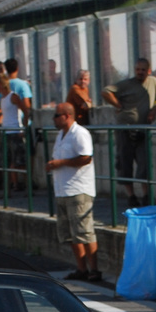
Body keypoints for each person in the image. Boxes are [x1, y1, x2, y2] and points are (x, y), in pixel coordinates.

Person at [103, 57, 156, 207]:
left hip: (143, 129)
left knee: (144, 163)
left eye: (143, 70)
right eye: (138, 69)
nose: (140, 72)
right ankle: (131, 196)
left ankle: (146, 195)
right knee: (124, 162)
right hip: (124, 129)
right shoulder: (127, 84)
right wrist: (118, 105)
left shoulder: (153, 83)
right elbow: (106, 91)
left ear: (149, 71)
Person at [47, 102, 100, 282]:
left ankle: (94, 269)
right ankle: (81, 268)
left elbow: (86, 157)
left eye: (56, 115)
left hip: (78, 189)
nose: (54, 119)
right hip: (63, 189)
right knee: (70, 233)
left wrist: (60, 163)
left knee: (84, 231)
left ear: (67, 116)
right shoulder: (61, 135)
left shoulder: (80, 134)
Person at [1, 59, 34, 191]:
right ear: (17, 68)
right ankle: (28, 183)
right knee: (26, 156)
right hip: (20, 125)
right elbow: (26, 105)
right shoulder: (22, 84)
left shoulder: (4, 85)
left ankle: (14, 184)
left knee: (11, 159)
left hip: (7, 127)